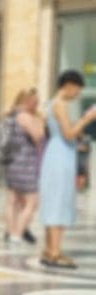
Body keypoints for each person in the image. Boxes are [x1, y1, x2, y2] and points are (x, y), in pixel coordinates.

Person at [38, 70, 96, 269]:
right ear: (69, 85)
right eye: (78, 89)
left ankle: (50, 250)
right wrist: (87, 118)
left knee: (53, 200)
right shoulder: (60, 105)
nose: (78, 94)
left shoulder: (50, 104)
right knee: (58, 201)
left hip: (56, 153)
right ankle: (54, 252)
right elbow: (69, 134)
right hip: (60, 156)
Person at [2, 89, 44, 247]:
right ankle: (17, 235)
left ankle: (10, 231)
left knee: (12, 201)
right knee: (32, 202)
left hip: (12, 162)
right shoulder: (25, 117)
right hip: (25, 164)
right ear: (27, 101)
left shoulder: (11, 115)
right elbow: (38, 136)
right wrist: (39, 122)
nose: (37, 104)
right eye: (35, 101)